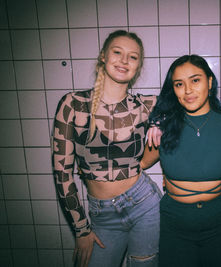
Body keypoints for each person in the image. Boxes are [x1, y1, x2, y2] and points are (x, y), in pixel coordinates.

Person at [52, 30, 161, 267]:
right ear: (103, 56)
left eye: (133, 57)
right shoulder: (73, 105)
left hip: (145, 205)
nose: (124, 61)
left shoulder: (147, 105)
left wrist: (159, 124)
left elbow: (183, 105)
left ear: (138, 66)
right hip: (101, 216)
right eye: (117, 52)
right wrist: (81, 230)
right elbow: (62, 174)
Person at [141, 54, 221, 267]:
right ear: (173, 90)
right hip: (175, 222)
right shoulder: (163, 127)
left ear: (210, 82)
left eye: (195, 80)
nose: (187, 90)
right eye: (179, 84)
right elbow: (141, 164)